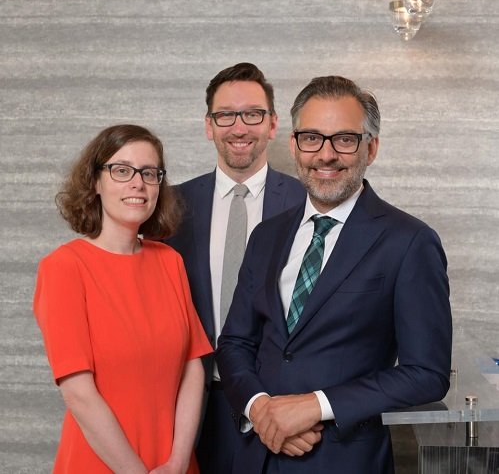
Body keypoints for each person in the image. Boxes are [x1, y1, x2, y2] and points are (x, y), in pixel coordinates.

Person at [216, 75, 453, 474]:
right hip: (257, 456)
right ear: (295, 145)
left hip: (344, 459)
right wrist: (261, 410)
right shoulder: (267, 236)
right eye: (312, 138)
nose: (326, 155)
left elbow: (427, 374)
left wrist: (315, 405)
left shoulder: (409, 242)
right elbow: (235, 342)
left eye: (344, 139)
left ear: (370, 148)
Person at [33, 124, 213, 473]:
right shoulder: (64, 268)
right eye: (121, 170)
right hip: (102, 462)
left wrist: (177, 462)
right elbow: (79, 394)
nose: (138, 183)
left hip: (173, 464)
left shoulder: (169, 261)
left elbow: (193, 368)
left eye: (149, 172)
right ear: (95, 182)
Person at [165, 62, 306, 473]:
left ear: (272, 124)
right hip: (191, 408)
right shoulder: (170, 209)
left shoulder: (308, 202)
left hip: (282, 408)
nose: (239, 127)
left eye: (253, 114)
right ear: (209, 126)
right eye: (226, 115)